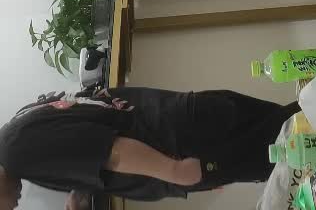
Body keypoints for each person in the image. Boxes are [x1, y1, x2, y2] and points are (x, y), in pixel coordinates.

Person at [0, 86, 299, 206]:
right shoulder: (13, 132)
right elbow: (88, 130)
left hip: (181, 144)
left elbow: (109, 150)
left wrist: (176, 171)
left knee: (298, 151)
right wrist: (79, 190)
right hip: (183, 116)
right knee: (297, 125)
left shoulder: (16, 155)